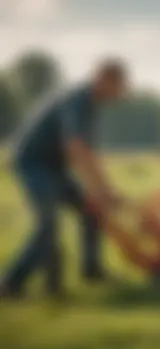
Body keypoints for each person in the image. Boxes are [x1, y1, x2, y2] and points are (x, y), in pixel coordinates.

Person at [0, 59, 129, 298]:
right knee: (48, 226)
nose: (121, 93)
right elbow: (76, 148)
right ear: (104, 80)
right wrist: (101, 191)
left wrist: (103, 191)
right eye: (119, 86)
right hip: (34, 164)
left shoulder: (90, 104)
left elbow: (88, 154)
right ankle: (10, 284)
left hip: (54, 167)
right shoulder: (78, 101)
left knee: (91, 211)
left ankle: (92, 271)